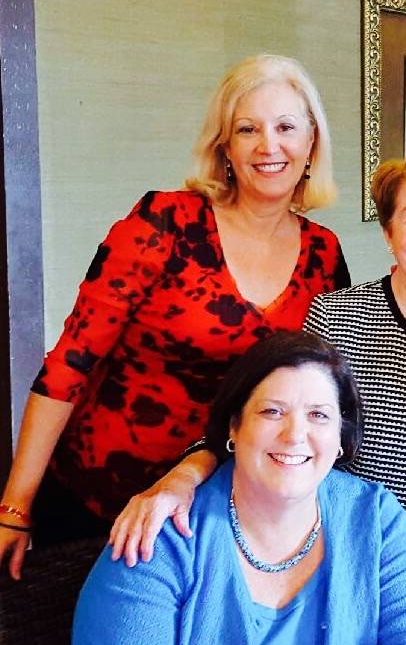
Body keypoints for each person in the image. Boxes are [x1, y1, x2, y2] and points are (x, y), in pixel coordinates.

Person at [111, 150, 406, 645]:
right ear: (387, 233)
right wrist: (185, 473)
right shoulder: (339, 318)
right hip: (372, 570)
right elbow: (262, 416)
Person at [0, 54, 350, 579]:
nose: (268, 146)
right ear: (224, 147)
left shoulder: (324, 254)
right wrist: (15, 506)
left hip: (218, 512)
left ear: (311, 145)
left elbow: (322, 385)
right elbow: (69, 363)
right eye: (247, 129)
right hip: (98, 499)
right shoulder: (164, 223)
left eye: (285, 127)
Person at [72, 330, 406, 645]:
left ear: (340, 439)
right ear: (233, 427)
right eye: (272, 412)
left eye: (318, 415)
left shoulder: (376, 518)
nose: (295, 434)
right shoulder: (158, 538)